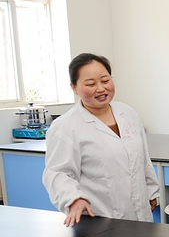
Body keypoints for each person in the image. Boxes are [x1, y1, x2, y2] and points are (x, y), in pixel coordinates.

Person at [43, 53, 159, 227]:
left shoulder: (128, 113)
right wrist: (74, 199)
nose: (100, 88)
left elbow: (142, 159)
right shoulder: (65, 127)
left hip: (141, 217)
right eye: (91, 84)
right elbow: (57, 173)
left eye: (105, 81)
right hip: (99, 220)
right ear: (74, 87)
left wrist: (150, 191)